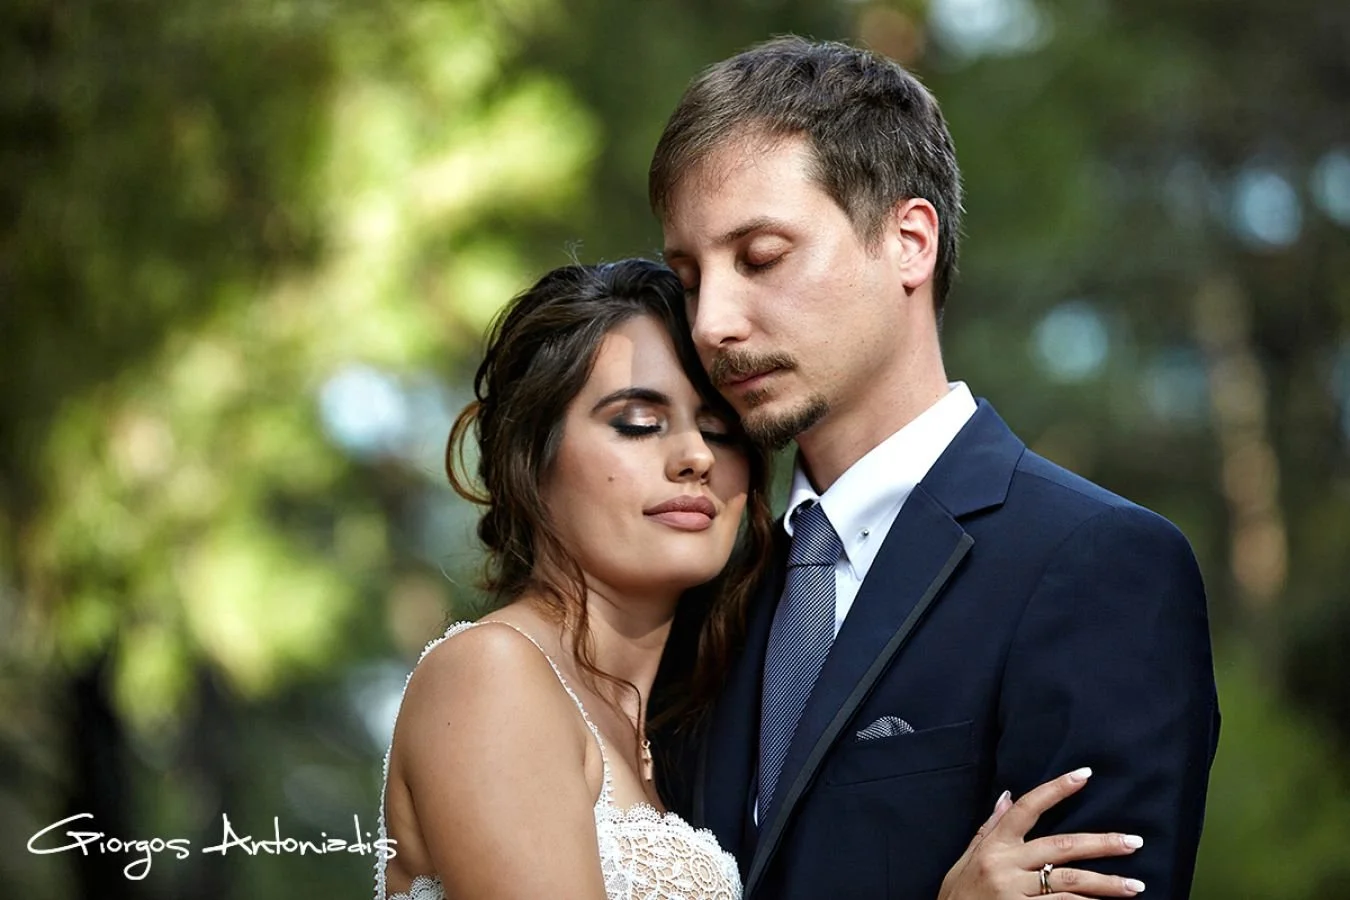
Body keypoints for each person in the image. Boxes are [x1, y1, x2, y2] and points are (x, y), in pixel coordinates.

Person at [372, 259, 1148, 900]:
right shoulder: (492, 675)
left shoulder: (690, 717)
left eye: (719, 429)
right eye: (637, 422)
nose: (695, 458)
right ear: (528, 459)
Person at [648, 35, 1222, 900]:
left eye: (761, 257)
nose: (711, 323)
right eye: (690, 278)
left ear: (909, 241)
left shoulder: (1097, 566)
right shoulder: (708, 588)